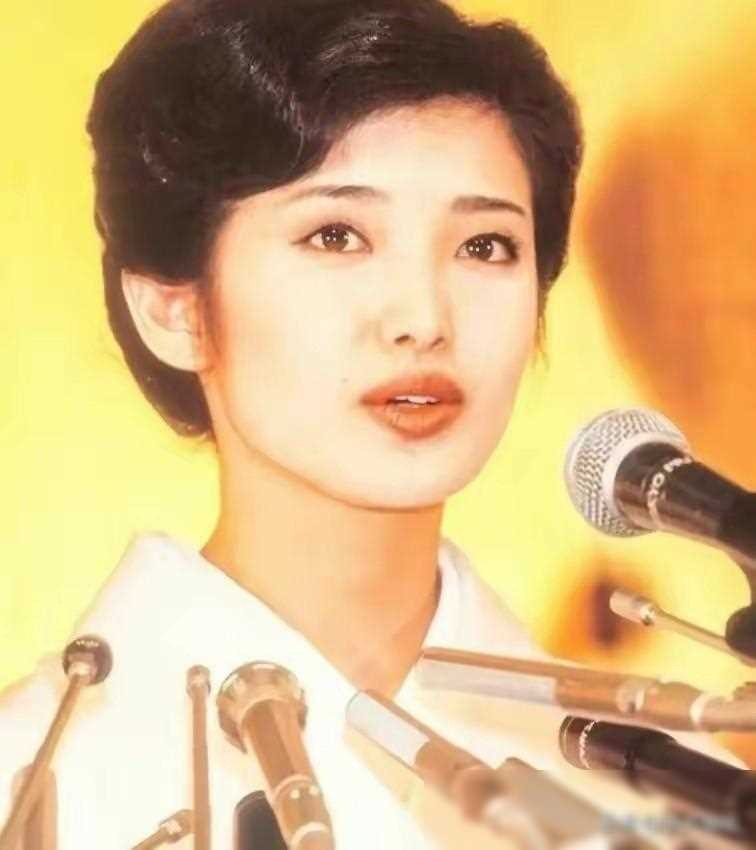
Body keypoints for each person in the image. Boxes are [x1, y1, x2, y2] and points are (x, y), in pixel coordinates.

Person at [2, 1, 727, 847]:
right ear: (178, 310)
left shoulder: (679, 791)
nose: (424, 319)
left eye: (485, 246)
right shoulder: (30, 775)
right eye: (336, 236)